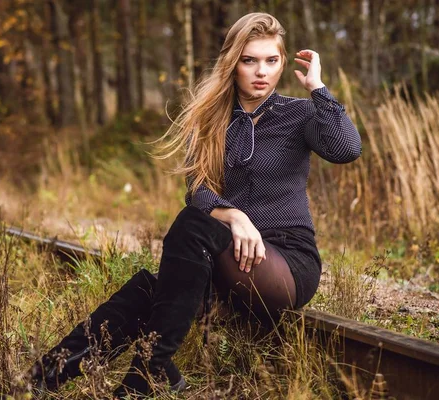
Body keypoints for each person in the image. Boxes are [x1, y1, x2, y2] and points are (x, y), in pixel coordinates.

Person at [29, 12, 361, 398]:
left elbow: (347, 149)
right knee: (150, 290)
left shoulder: (300, 114)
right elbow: (198, 190)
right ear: (233, 63)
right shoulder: (211, 119)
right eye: (249, 60)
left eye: (271, 60)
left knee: (191, 226)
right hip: (227, 254)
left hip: (284, 264)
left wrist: (318, 88)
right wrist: (234, 215)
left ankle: (151, 371)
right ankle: (42, 380)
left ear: (283, 63)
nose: (261, 72)